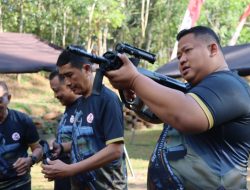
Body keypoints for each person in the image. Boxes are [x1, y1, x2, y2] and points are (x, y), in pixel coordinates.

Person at [105, 26, 250, 189]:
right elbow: (159, 114)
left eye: (187, 51)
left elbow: (186, 117)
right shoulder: (194, 90)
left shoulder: (228, 85)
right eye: (179, 55)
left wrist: (134, 80)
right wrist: (134, 97)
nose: (181, 59)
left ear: (213, 49)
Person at [42, 47, 127, 190]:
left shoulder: (107, 100)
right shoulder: (80, 103)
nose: (67, 82)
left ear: (87, 69)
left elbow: (115, 150)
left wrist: (70, 169)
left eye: (70, 75)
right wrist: (62, 148)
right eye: (64, 77)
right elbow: (90, 140)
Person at [0, 81, 43, 190]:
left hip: (19, 184)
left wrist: (30, 160)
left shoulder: (22, 120)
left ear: (8, 98)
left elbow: (38, 149)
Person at [49, 70, 81, 190]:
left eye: (57, 90)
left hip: (77, 177)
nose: (55, 96)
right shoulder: (68, 108)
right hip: (63, 178)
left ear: (68, 84)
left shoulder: (84, 107)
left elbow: (90, 142)